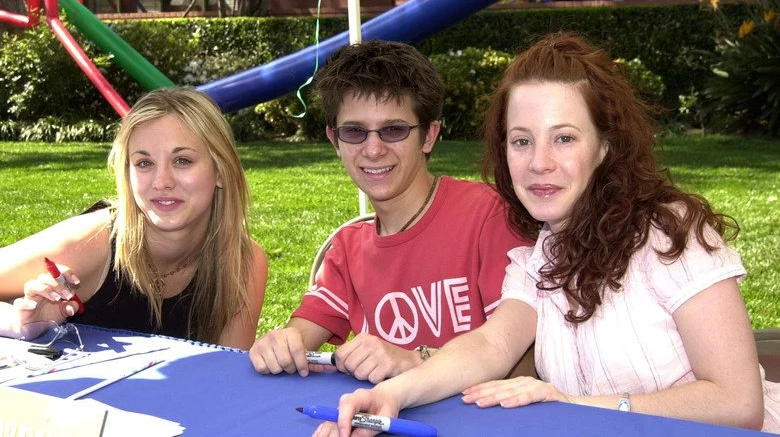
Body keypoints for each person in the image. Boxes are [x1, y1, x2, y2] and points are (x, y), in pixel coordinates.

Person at [320, 33, 780, 436]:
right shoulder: (541, 257)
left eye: (563, 138)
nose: (538, 161)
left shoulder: (672, 235)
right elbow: (490, 345)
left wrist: (574, 406)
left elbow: (738, 404)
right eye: (521, 140)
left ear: (605, 144)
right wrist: (394, 395)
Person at [249, 40, 534, 383]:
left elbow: (527, 362)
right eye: (354, 132)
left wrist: (415, 360)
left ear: (428, 136)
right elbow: (298, 337)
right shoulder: (347, 249)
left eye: (394, 130)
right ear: (334, 140)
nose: (373, 149)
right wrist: (281, 345)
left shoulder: (489, 216)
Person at [0, 88, 268, 350]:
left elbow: (225, 379)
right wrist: (21, 324)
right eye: (144, 163)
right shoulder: (92, 244)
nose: (162, 181)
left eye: (183, 160)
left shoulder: (243, 263)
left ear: (220, 171)